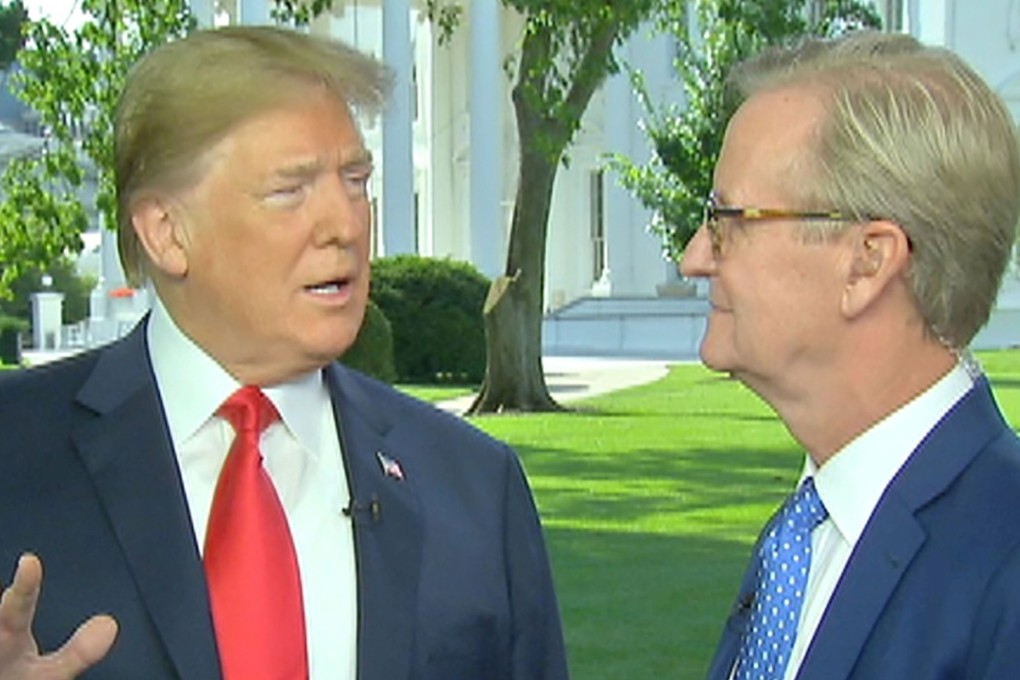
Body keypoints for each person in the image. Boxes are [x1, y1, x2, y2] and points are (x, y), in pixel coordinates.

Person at [0, 25, 568, 680]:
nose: (346, 224)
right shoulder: (15, 452)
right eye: (290, 190)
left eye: (355, 180)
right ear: (166, 233)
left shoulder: (473, 487)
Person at [682, 31, 1020, 680]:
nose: (694, 257)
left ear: (868, 261)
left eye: (728, 220)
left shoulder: (1004, 566)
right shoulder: (803, 537)